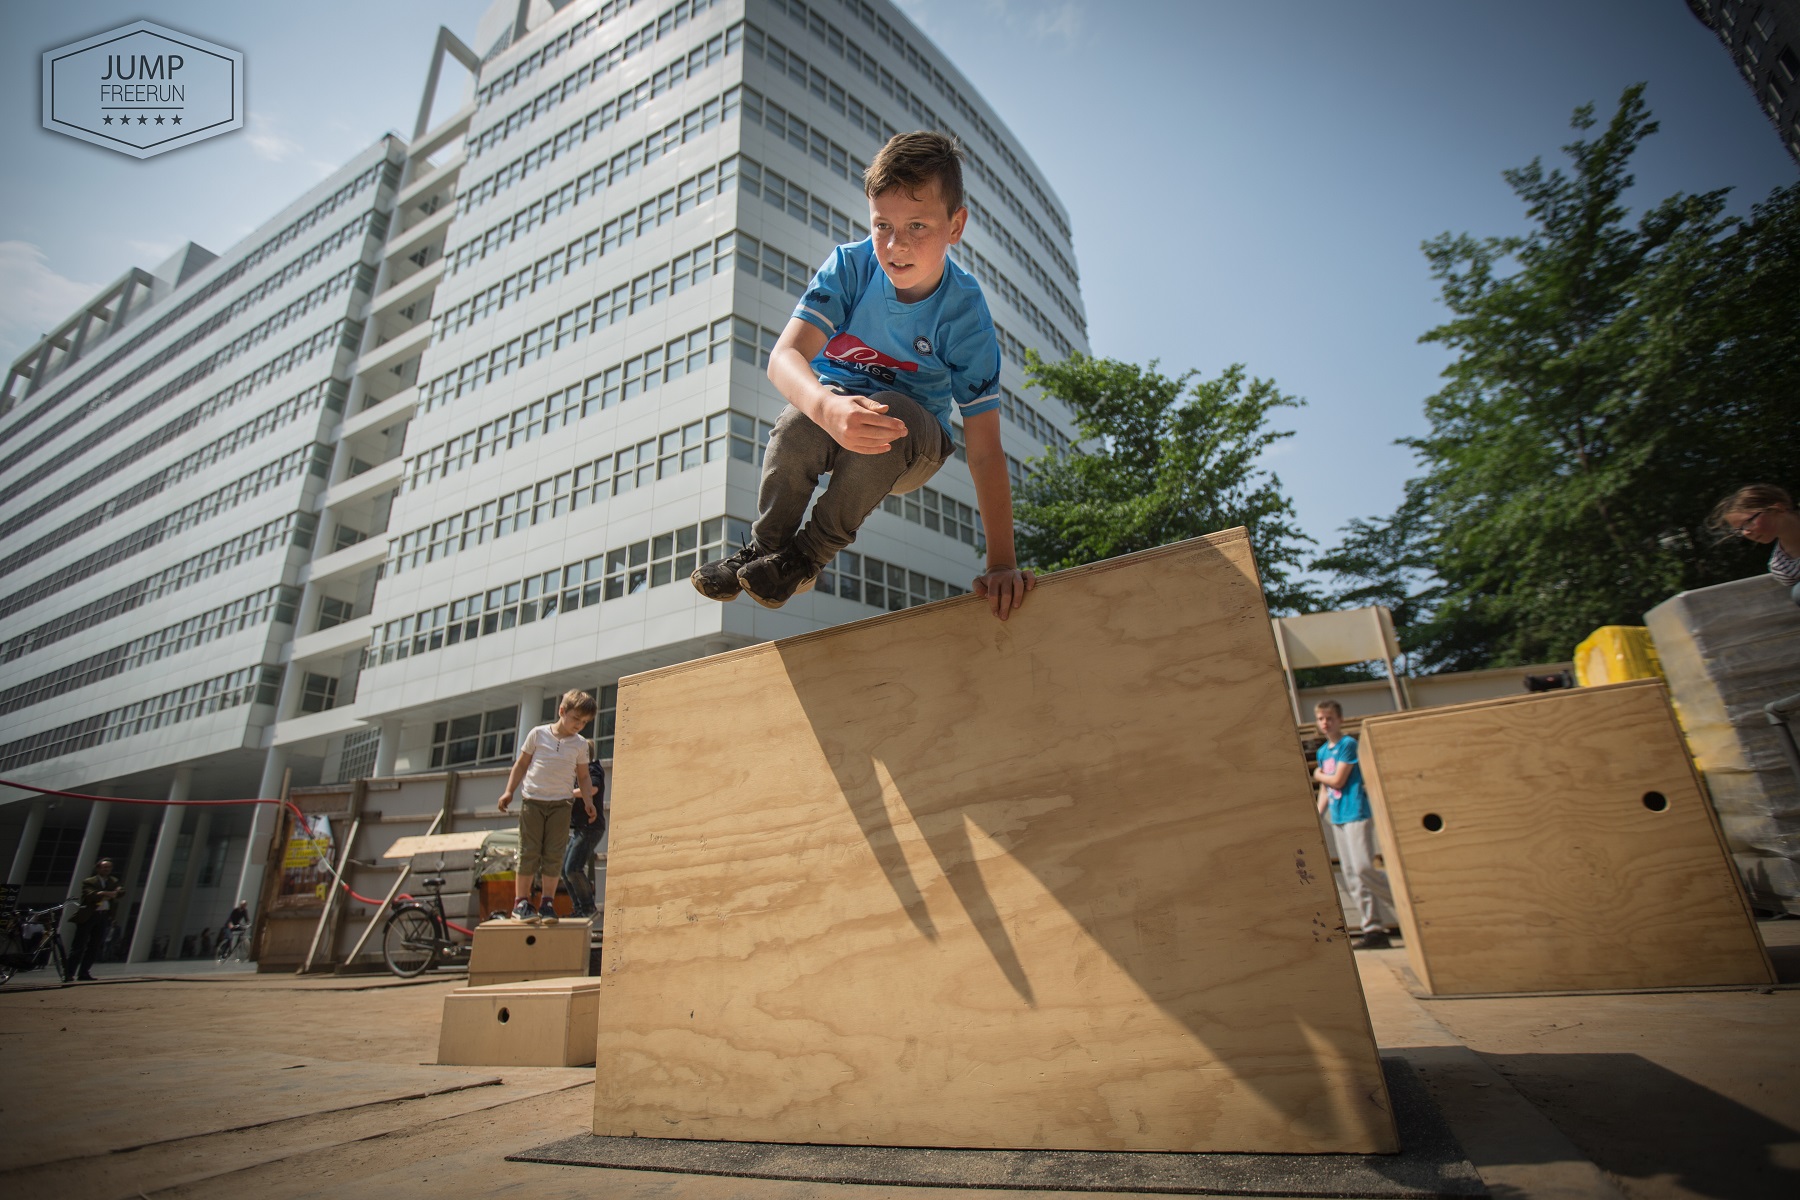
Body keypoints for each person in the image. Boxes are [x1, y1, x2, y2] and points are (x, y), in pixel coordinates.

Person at [690, 130, 1035, 622]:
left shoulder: (964, 314)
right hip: (838, 414)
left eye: (918, 226)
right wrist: (827, 406)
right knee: (797, 421)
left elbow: (984, 447)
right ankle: (763, 550)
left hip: (913, 441)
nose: (895, 246)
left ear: (955, 226)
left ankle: (805, 558)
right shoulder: (851, 267)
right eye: (882, 226)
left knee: (889, 413)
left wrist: (1002, 562)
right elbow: (784, 356)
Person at [497, 690, 598, 923]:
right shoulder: (538, 734)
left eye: (584, 723)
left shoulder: (580, 745)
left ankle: (547, 903)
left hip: (561, 805)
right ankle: (521, 902)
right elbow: (521, 764)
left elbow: (583, 777)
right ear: (562, 711)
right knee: (529, 850)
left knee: (553, 854)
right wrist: (508, 791)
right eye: (576, 719)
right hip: (533, 801)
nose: (579, 726)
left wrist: (588, 801)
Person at [1311, 701, 1397, 950]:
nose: (1325, 722)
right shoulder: (1323, 752)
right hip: (1338, 817)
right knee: (1352, 876)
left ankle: (1405, 901)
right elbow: (1326, 790)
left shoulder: (1348, 745)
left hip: (1356, 813)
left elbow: (1337, 780)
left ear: (1340, 719)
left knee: (1362, 868)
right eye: (1320, 718)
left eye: (1329, 718)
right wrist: (1318, 813)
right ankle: (1373, 929)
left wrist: (1318, 775)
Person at [1709, 483, 1800, 604]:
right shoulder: (1781, 566)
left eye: (1748, 523)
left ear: (1778, 508)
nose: (1746, 533)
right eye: (1739, 530)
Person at [561, 751, 609, 919]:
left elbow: (593, 789)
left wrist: (568, 792)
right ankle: (580, 909)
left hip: (591, 827)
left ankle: (588, 908)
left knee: (573, 868)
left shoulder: (593, 769)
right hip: (580, 828)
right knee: (564, 871)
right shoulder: (577, 773)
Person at [65, 856, 123, 982]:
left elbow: (121, 892)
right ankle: (69, 973)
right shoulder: (89, 881)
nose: (107, 869)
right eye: (104, 867)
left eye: (109, 867)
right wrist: (106, 893)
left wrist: (115, 891)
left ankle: (84, 972)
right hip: (89, 916)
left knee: (94, 946)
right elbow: (91, 895)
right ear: (98, 868)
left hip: (103, 916)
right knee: (78, 946)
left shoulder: (113, 881)